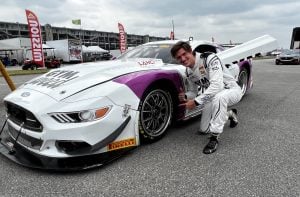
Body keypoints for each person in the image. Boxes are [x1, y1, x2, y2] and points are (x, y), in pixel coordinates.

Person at [171, 41, 242, 154]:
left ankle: (214, 138)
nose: (183, 59)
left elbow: (217, 85)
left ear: (191, 51)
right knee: (204, 129)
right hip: (212, 97)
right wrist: (185, 96)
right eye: (179, 57)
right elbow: (193, 92)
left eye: (184, 54)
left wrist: (196, 102)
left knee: (220, 98)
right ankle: (230, 114)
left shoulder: (208, 57)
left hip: (231, 90)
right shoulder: (188, 72)